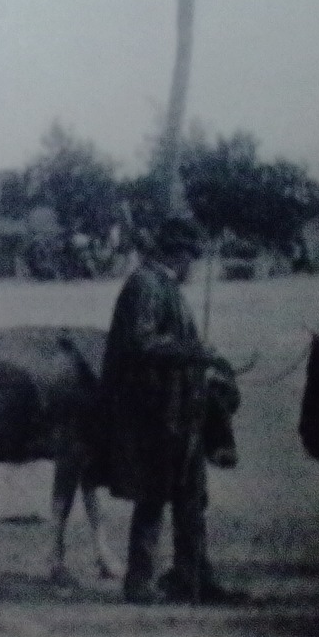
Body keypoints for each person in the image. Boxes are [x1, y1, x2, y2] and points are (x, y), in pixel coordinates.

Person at [101, 216, 237, 605]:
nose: (191, 265)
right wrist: (195, 352)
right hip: (155, 414)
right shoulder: (145, 284)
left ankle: (192, 579)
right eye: (189, 257)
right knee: (154, 496)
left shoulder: (164, 285)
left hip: (181, 409)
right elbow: (140, 343)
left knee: (191, 498)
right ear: (173, 254)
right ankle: (139, 584)